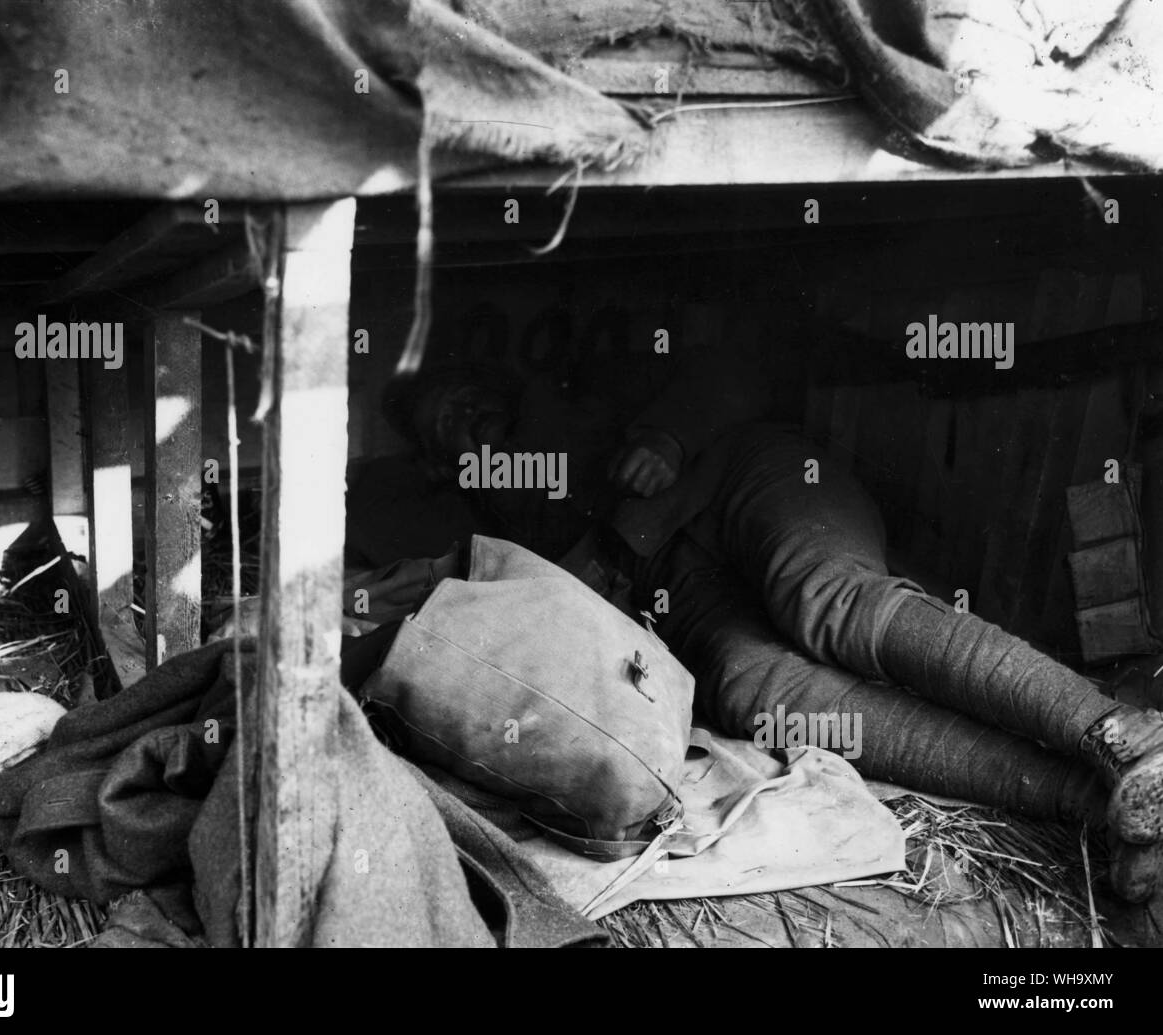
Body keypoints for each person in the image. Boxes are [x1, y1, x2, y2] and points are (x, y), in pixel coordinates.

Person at [374, 351, 1163, 903]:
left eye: (467, 399)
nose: (470, 422)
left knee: (826, 599)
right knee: (757, 691)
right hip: (681, 594)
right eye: (447, 428)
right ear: (443, 464)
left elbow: (738, 360)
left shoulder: (584, 385)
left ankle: (1115, 730)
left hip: (742, 482)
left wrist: (665, 435)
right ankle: (1100, 804)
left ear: (493, 383)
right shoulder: (498, 532)